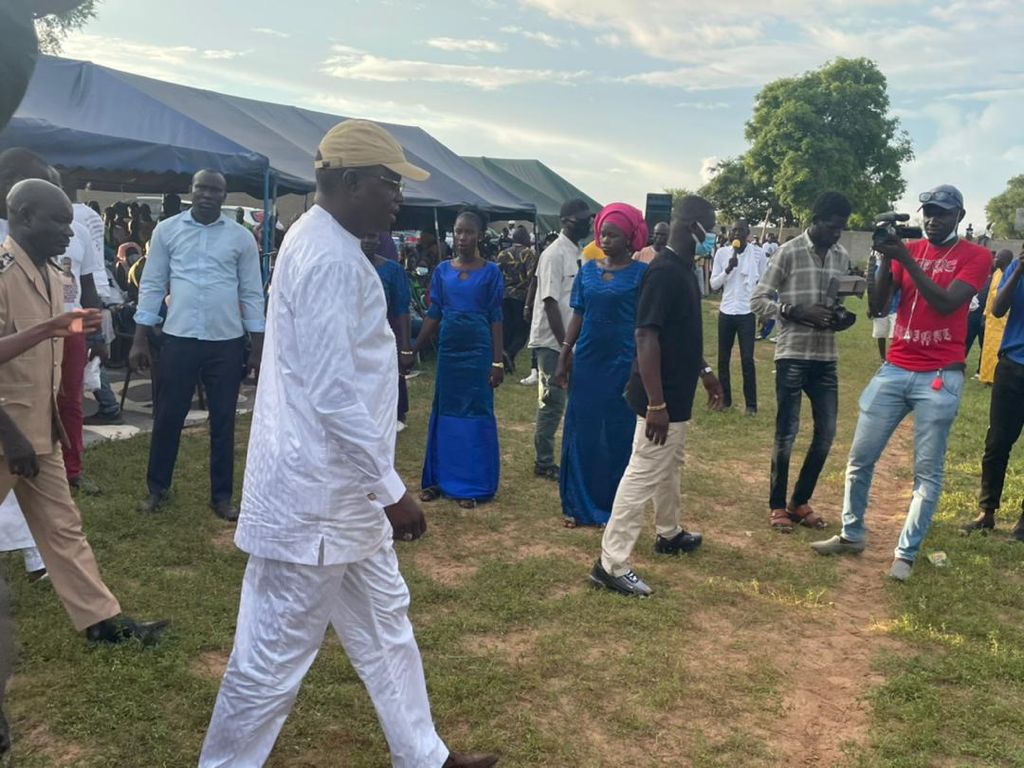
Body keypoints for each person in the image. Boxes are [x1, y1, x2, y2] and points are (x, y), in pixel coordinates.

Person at [199, 119, 497, 768]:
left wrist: (377, 488)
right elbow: (333, 393)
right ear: (352, 181)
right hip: (316, 501)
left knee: (388, 626)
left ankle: (425, 756)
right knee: (270, 661)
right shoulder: (328, 257)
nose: (399, 198)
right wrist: (392, 492)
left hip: (344, 497)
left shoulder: (323, 242)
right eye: (390, 183)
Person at [0, 178, 168, 642]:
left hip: (41, 429)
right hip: (6, 432)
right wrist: (53, 327)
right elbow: (33, 335)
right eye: (58, 222)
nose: (68, 235)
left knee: (63, 528)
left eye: (70, 224)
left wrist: (80, 323)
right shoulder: (2, 271)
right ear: (24, 216)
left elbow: (47, 336)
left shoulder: (53, 272)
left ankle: (100, 622)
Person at [810, 184, 992, 581]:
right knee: (860, 458)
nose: (933, 218)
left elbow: (946, 303)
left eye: (942, 212)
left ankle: (905, 554)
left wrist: (906, 261)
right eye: (928, 211)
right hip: (896, 365)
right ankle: (851, 533)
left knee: (926, 473)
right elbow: (878, 305)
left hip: (941, 374)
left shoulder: (976, 256)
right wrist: (880, 259)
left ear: (959, 216)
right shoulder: (908, 252)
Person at [590, 195, 724, 597]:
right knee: (644, 471)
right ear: (694, 227)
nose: (715, 235)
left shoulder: (685, 270)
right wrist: (657, 404)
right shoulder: (663, 272)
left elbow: (677, 335)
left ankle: (669, 532)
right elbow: (646, 335)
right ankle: (610, 563)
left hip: (676, 393)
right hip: (660, 398)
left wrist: (704, 371)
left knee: (670, 463)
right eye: (711, 227)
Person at [129, 170, 265, 520]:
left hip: (227, 342)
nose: (207, 194)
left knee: (223, 421)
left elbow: (251, 291)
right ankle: (157, 489)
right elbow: (153, 283)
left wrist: (258, 347)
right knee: (168, 416)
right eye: (201, 187)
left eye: (215, 190)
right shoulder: (168, 230)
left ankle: (221, 497)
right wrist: (140, 338)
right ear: (191, 191)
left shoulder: (241, 238)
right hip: (179, 339)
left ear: (224, 195)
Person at [751, 192, 853, 533]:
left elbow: (838, 300)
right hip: (793, 353)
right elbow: (758, 299)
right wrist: (793, 311)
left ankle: (800, 500)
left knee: (826, 434)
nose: (837, 233)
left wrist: (840, 317)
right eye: (832, 226)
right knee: (787, 433)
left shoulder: (840, 256)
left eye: (842, 227)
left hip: (826, 356)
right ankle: (777, 505)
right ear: (815, 220)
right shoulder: (789, 251)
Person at [554, 203, 647, 527]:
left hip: (622, 363)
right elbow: (578, 313)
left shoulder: (641, 275)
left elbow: (643, 325)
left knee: (617, 435)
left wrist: (638, 365)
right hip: (589, 362)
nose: (605, 239)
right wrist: (565, 354)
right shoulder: (588, 271)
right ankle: (578, 506)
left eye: (614, 235)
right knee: (584, 433)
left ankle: (611, 508)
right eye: (603, 233)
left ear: (629, 238)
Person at [412, 209, 504, 508]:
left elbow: (496, 317)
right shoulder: (442, 271)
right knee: (446, 411)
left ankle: (473, 484)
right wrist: (414, 348)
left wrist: (497, 361)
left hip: (478, 351)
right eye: (458, 231)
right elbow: (434, 312)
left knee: (474, 413)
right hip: (449, 352)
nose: (462, 237)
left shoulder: (491, 272)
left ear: (478, 235)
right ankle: (437, 479)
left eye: (468, 232)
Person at [961, 246, 1024, 538]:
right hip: (1012, 366)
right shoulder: (1016, 269)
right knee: (997, 442)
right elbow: (998, 308)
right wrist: (1020, 268)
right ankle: (987, 512)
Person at [528, 199, 592, 481]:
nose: (588, 224)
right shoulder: (554, 254)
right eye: (582, 219)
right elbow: (550, 303)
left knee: (574, 400)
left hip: (570, 341)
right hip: (553, 342)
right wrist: (565, 346)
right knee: (552, 401)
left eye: (589, 218)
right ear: (566, 221)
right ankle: (543, 462)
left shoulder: (577, 252)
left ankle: (570, 454)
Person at [709, 219, 763, 415]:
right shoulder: (722, 253)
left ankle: (751, 405)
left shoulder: (757, 253)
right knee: (723, 359)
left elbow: (764, 281)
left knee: (747, 359)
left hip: (746, 312)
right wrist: (728, 269)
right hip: (726, 311)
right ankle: (726, 400)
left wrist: (762, 308)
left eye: (741, 231)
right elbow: (714, 284)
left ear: (748, 233)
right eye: (734, 231)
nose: (736, 234)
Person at [360, 232, 412, 431]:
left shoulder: (392, 270)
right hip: (355, 338)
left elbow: (402, 310)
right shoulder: (346, 266)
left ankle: (397, 413)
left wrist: (406, 347)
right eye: (363, 237)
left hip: (383, 335)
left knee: (389, 376)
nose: (367, 241)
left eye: (371, 237)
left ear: (379, 240)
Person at [495, 224, 537, 372]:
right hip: (521, 297)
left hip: (504, 296)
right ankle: (510, 353)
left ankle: (505, 362)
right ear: (526, 239)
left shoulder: (503, 253)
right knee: (522, 331)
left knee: (507, 329)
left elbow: (496, 274)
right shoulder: (529, 254)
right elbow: (532, 277)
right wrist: (530, 302)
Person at [979, 249, 1012, 384]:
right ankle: (987, 377)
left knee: (999, 349)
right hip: (991, 319)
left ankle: (997, 377)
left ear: (1005, 260)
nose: (995, 260)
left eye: (997, 257)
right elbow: (990, 298)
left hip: (1003, 320)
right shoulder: (997, 273)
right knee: (988, 348)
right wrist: (985, 314)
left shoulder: (1010, 274)